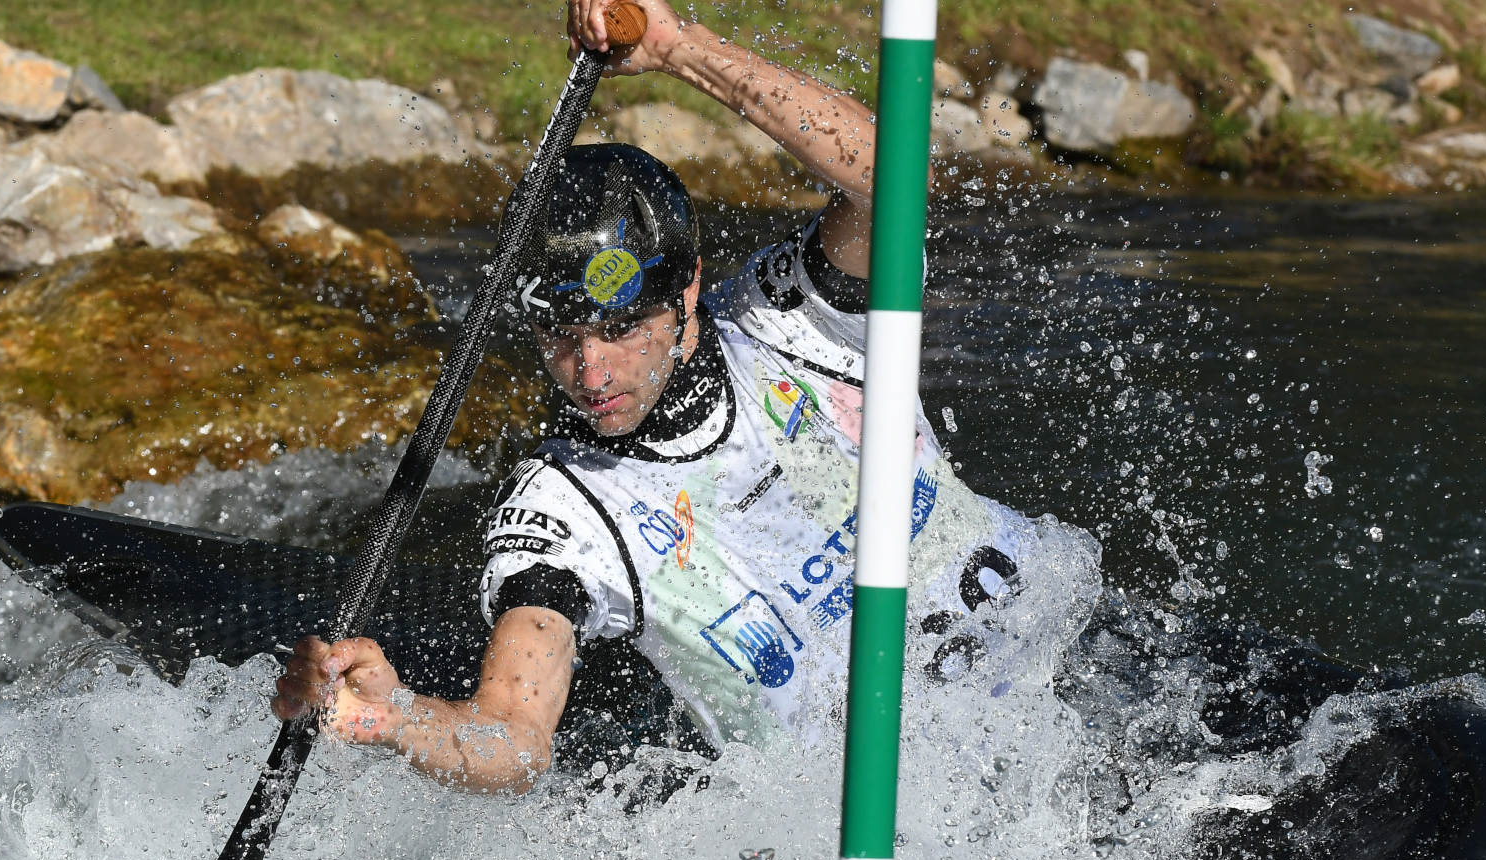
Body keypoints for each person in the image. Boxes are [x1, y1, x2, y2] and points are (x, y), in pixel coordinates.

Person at [271, 0, 1034, 792]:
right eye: (559, 336)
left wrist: (677, 48)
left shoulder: (791, 321)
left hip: (1067, 662)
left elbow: (896, 178)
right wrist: (398, 718)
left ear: (689, 288)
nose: (591, 372)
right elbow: (516, 739)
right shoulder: (567, 511)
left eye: (621, 328)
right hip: (898, 810)